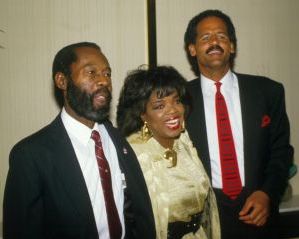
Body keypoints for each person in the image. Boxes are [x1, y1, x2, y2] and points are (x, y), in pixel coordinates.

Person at [3, 42, 156, 239]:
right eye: (91, 73)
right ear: (62, 81)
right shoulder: (31, 155)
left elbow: (139, 215)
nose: (104, 81)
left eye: (107, 73)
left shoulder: (119, 140)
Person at [184, 9, 294, 239]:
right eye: (205, 38)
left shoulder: (268, 92)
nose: (215, 41)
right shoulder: (178, 100)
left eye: (222, 36)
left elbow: (281, 152)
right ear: (192, 49)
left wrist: (267, 194)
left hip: (260, 214)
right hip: (204, 221)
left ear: (232, 46)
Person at [117, 65, 220, 239]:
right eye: (159, 106)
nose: (173, 110)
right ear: (142, 114)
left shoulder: (185, 143)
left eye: (177, 101)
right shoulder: (132, 156)